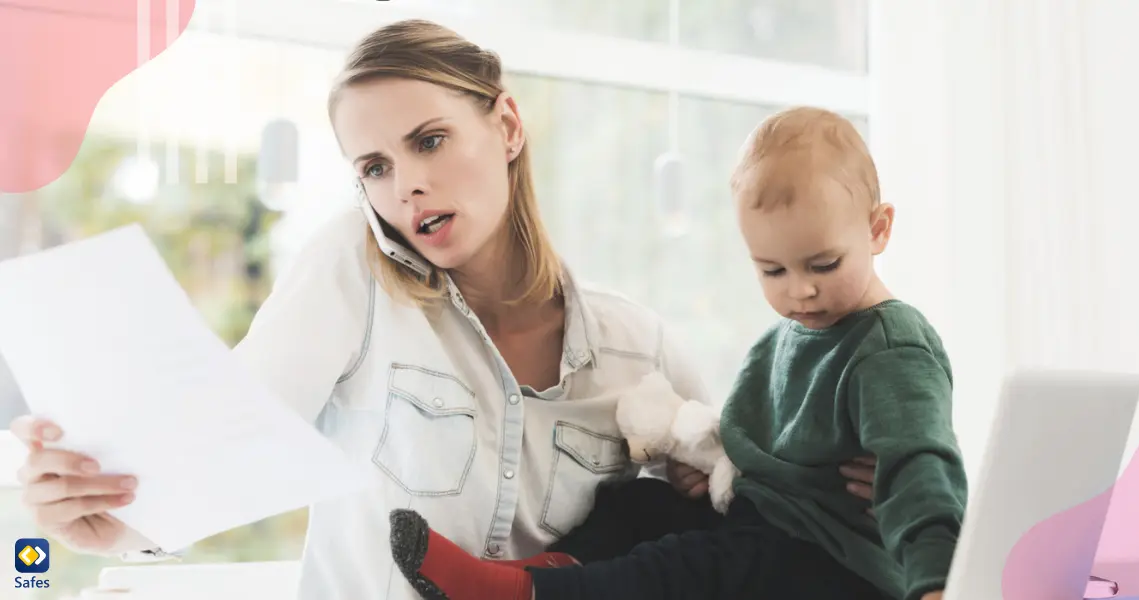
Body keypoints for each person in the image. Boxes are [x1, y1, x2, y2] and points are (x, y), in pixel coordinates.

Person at [8, 21, 880, 599]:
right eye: (373, 167)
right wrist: (106, 513)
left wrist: (864, 491)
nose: (405, 184)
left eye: (427, 141)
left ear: (505, 126)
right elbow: (231, 437)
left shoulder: (633, 345)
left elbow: (742, 508)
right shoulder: (358, 279)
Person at [386, 106, 969, 600]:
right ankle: (532, 575)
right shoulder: (785, 336)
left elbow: (919, 472)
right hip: (770, 522)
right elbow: (758, 447)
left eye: (823, 265)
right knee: (641, 502)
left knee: (699, 562)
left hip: (838, 564)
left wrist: (936, 584)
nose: (800, 290)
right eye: (772, 270)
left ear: (878, 230)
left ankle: (530, 596)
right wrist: (711, 469)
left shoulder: (889, 348)